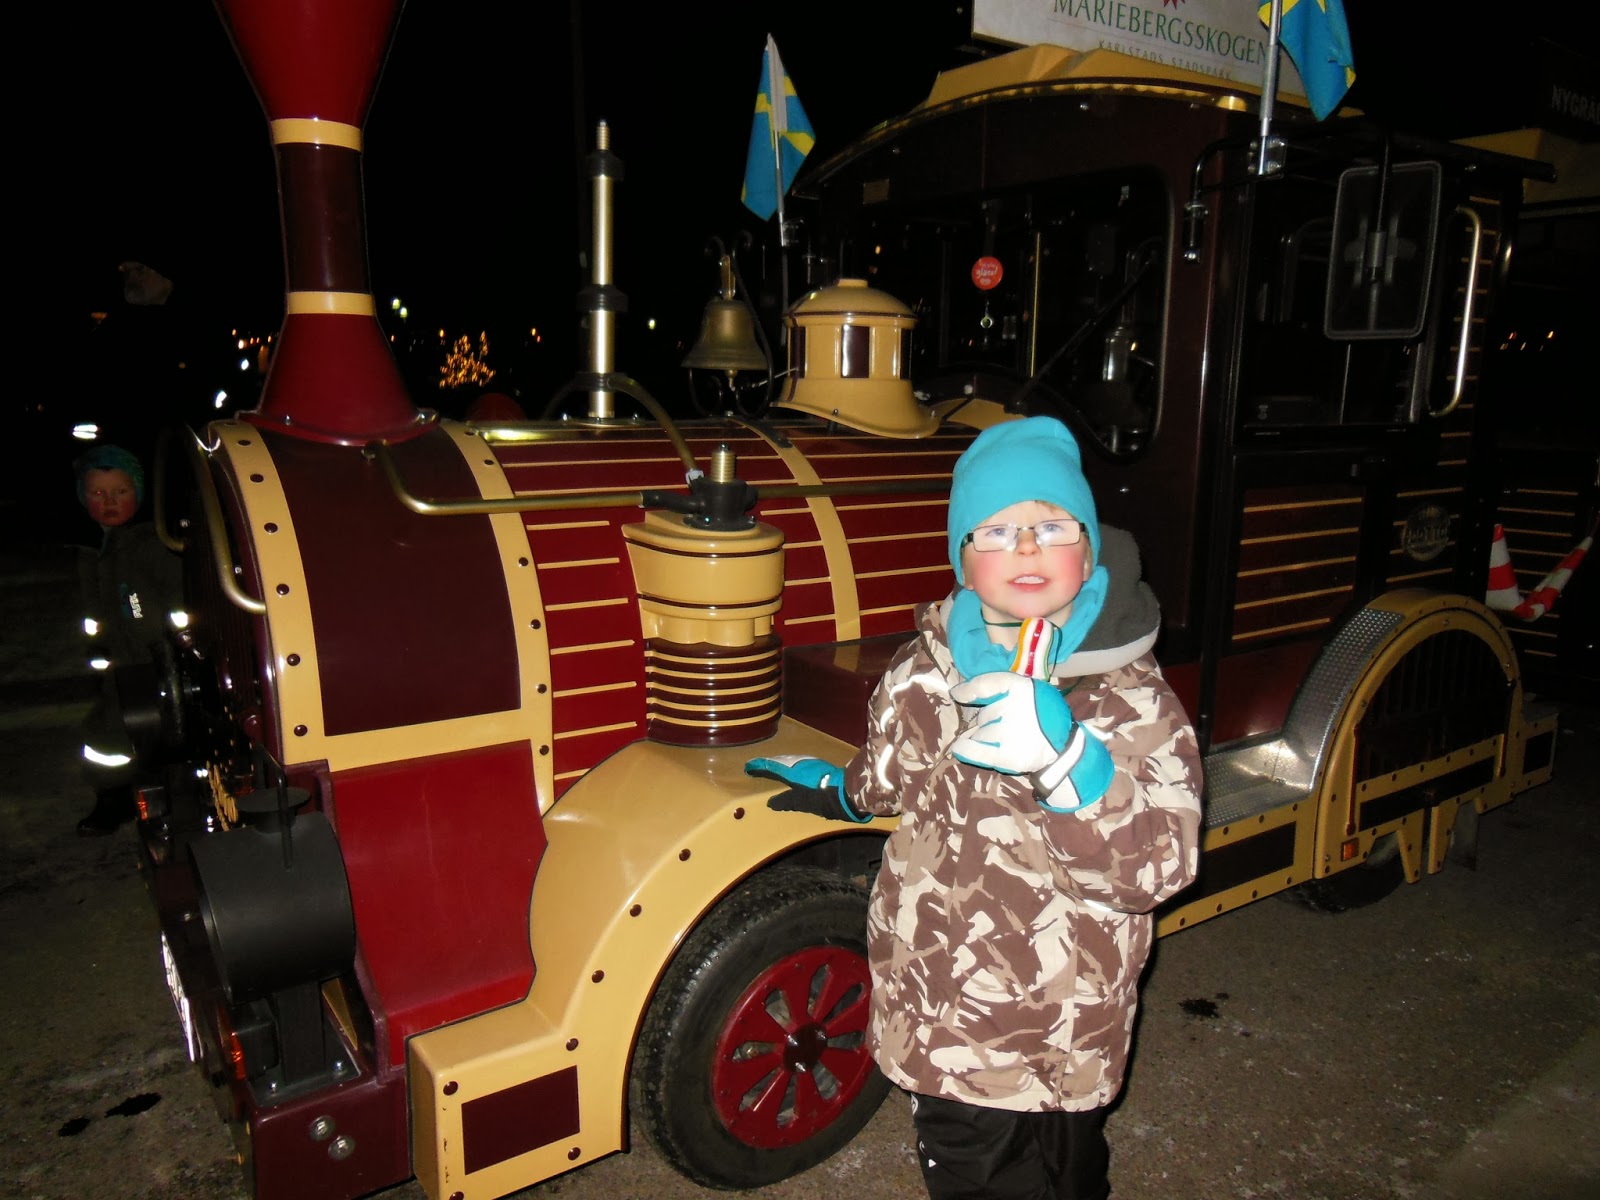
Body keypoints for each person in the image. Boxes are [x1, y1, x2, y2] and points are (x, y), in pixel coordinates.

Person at [747, 416, 1202, 1200]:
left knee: (1069, 1165)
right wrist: (841, 792)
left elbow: (1159, 866)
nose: (1026, 547)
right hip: (946, 1011)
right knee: (980, 1177)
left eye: (1052, 525)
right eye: (996, 530)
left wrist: (1070, 764)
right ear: (962, 556)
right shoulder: (924, 671)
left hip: (1067, 1017)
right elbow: (889, 775)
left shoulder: (1132, 700)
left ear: (1089, 548)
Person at [73, 444, 183, 835]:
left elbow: (175, 599)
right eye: (98, 493)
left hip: (156, 661)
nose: (109, 501)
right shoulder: (92, 552)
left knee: (164, 733)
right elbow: (93, 613)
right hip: (119, 665)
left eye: (120, 491)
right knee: (106, 735)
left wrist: (176, 640)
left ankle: (170, 800)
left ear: (137, 492)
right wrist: (97, 650)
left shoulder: (153, 544)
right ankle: (113, 798)